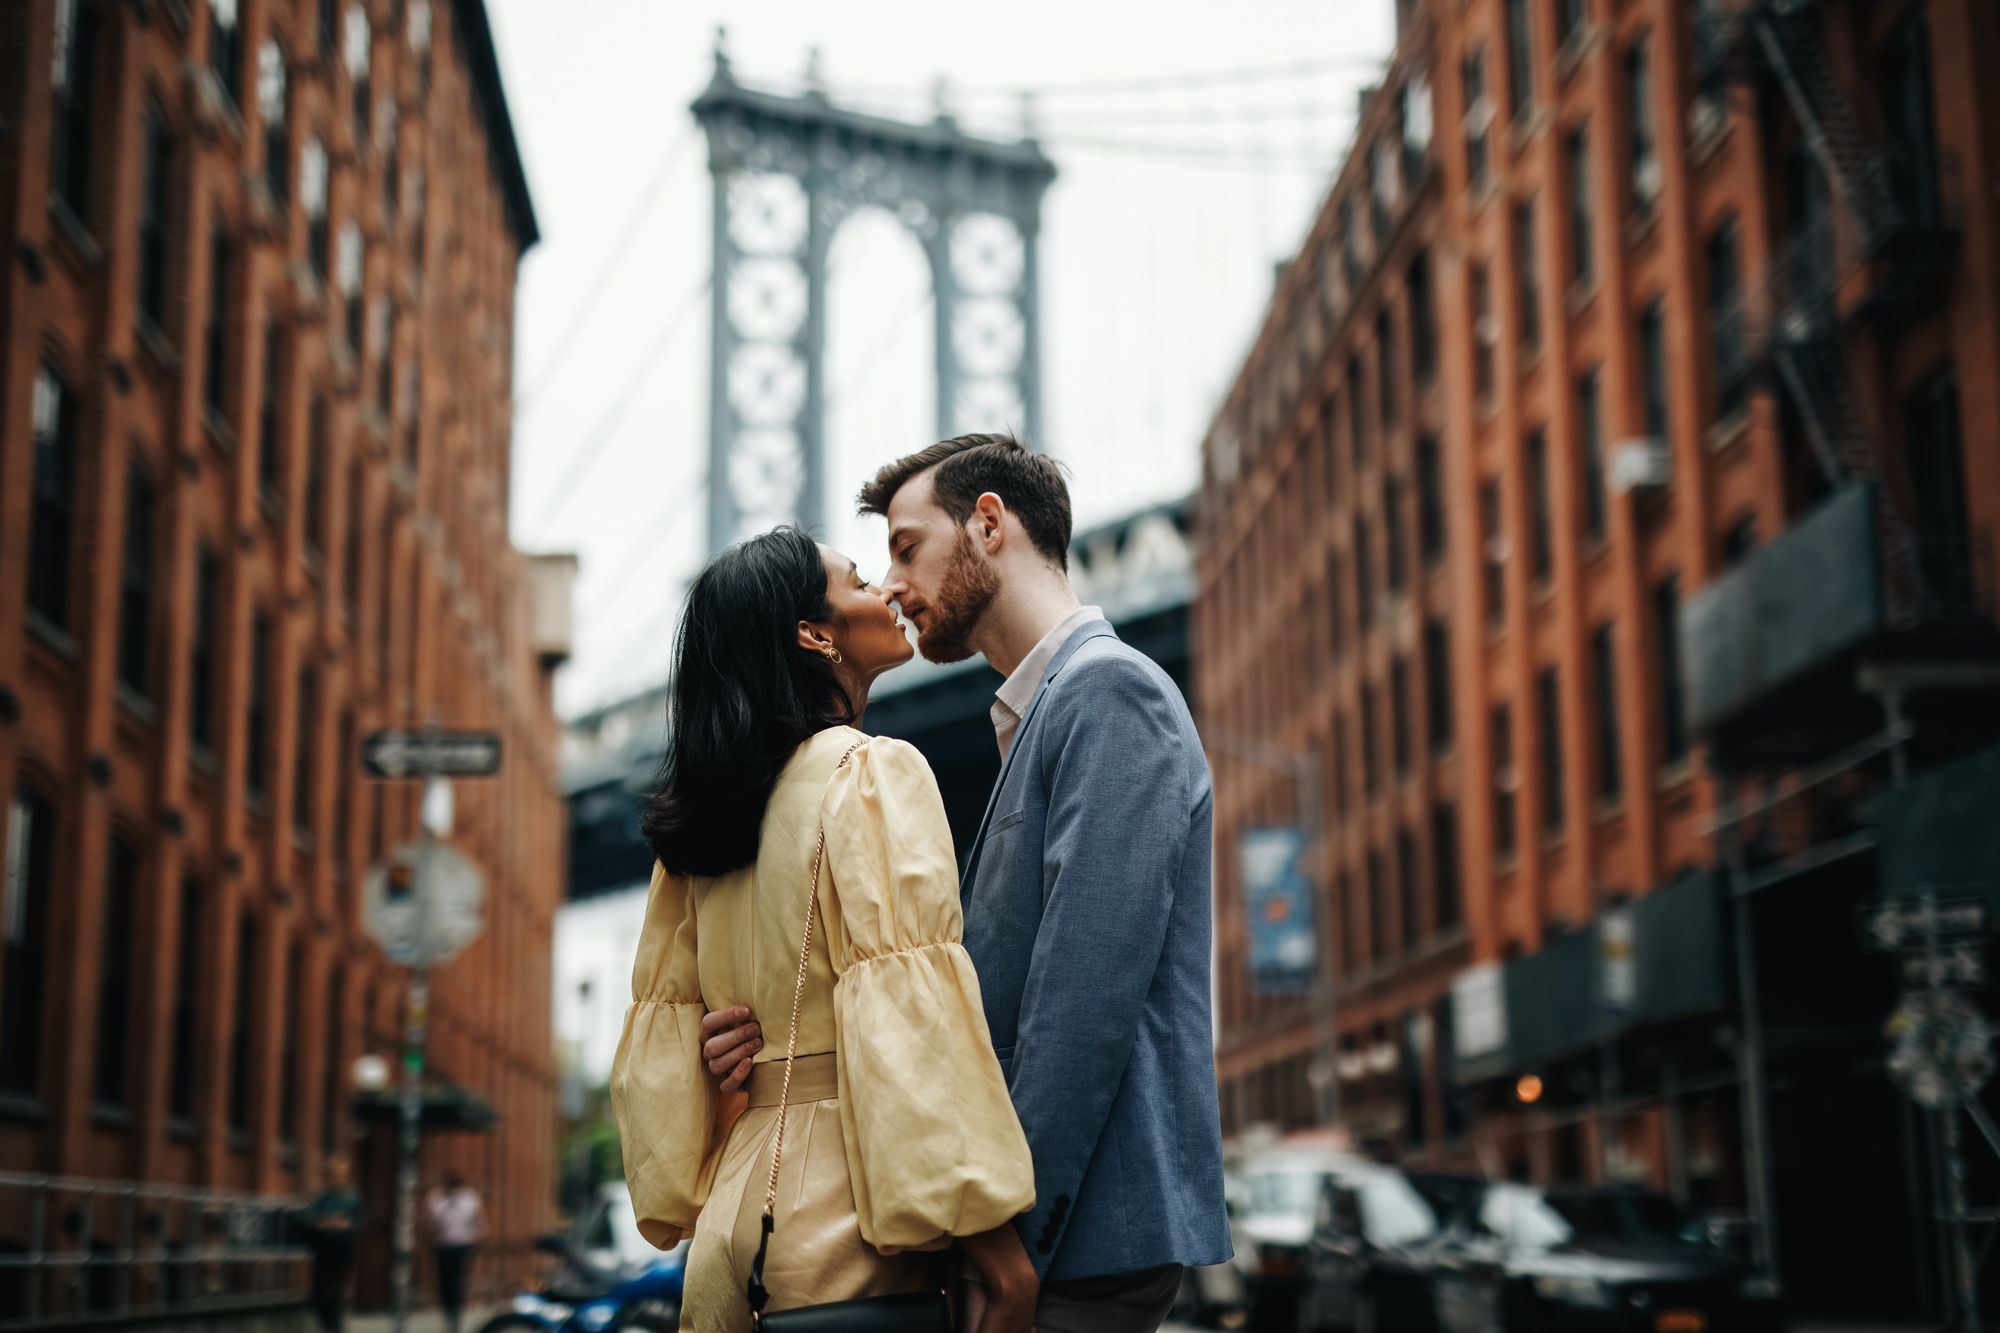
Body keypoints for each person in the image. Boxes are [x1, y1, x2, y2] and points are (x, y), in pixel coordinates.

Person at [703, 435, 1231, 1332]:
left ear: (989, 524)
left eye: (907, 547)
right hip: (1035, 1242)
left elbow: (1082, 1004)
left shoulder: (1109, 694)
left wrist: (1010, 1239)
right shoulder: (1038, 715)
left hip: (1074, 1241)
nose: (894, 585)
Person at [609, 526, 1038, 1333]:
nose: (884, 586)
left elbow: (663, 1064)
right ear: (814, 633)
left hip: (733, 1229)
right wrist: (997, 1252)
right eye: (854, 578)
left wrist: (732, 1085)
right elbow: (912, 1020)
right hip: (845, 1232)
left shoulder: (702, 832)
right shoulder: (870, 775)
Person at [296, 1157, 361, 1333]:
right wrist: (330, 1222)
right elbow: (308, 1219)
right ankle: (327, 1325)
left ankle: (335, 1326)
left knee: (335, 1291)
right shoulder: (322, 1200)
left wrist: (338, 1223)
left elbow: (356, 1223)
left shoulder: (352, 1199)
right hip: (322, 1249)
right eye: (335, 1175)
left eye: (342, 1176)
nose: (338, 1179)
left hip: (340, 1249)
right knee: (318, 1293)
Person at [423, 1171, 483, 1333]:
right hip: (443, 1244)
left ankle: (456, 1314)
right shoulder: (436, 1199)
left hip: (462, 1244)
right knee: (444, 1282)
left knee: (458, 1281)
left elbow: (477, 1220)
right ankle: (448, 1312)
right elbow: (430, 1222)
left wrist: (476, 1235)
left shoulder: (470, 1199)